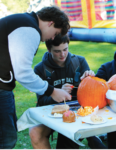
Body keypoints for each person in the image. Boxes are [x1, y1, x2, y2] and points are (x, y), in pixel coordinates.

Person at [0, 6, 71, 149]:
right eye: (55, 33)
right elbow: (23, 72)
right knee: (6, 139)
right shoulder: (30, 28)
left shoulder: (22, 21)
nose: (52, 38)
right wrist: (52, 91)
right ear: (50, 23)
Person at [29, 34, 107, 149]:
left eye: (65, 49)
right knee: (35, 132)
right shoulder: (40, 69)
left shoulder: (79, 62)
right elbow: (42, 101)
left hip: (79, 112)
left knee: (69, 134)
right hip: (53, 113)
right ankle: (91, 136)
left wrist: (89, 77)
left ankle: (92, 136)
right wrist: (57, 94)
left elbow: (91, 91)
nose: (62, 54)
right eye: (57, 51)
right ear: (48, 49)